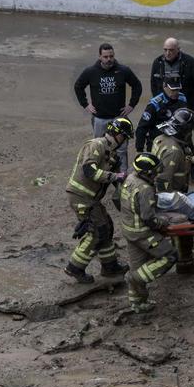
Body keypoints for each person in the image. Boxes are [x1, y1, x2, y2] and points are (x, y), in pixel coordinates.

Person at [64, 117, 133, 283]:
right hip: (80, 196)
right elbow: (90, 171)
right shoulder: (96, 145)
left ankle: (110, 266)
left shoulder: (112, 155)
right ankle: (75, 267)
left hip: (91, 199)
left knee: (107, 227)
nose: (124, 142)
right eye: (124, 137)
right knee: (96, 232)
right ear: (116, 134)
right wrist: (115, 175)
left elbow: (119, 182)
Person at [120, 152, 178, 313]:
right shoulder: (145, 188)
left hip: (129, 229)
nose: (156, 174)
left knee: (137, 266)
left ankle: (137, 303)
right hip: (142, 233)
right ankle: (135, 279)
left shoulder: (129, 179)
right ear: (147, 172)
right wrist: (163, 222)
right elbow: (148, 218)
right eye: (154, 171)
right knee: (170, 255)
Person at [73, 43, 142, 171]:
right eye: (105, 57)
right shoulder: (91, 72)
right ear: (100, 57)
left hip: (119, 118)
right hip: (99, 118)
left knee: (121, 149)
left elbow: (137, 86)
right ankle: (101, 175)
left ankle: (122, 176)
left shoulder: (123, 70)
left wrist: (132, 105)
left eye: (111, 56)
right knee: (99, 147)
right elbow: (78, 86)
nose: (109, 59)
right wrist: (85, 104)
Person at [152, 108, 194, 273]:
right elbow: (162, 182)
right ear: (184, 131)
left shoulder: (161, 139)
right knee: (185, 227)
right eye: (190, 131)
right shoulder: (174, 151)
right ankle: (185, 263)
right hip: (170, 196)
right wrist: (173, 202)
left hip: (173, 192)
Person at [149, 37, 194, 114]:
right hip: (164, 106)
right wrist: (157, 105)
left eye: (171, 50)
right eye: (165, 50)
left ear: (178, 49)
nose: (168, 53)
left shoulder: (191, 62)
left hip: (186, 105)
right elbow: (154, 85)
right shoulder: (158, 62)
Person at [136, 74, 187, 152]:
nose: (176, 93)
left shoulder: (182, 99)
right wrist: (139, 150)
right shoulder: (155, 104)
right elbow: (142, 128)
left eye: (177, 89)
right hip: (157, 145)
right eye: (173, 90)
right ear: (164, 86)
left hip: (178, 143)